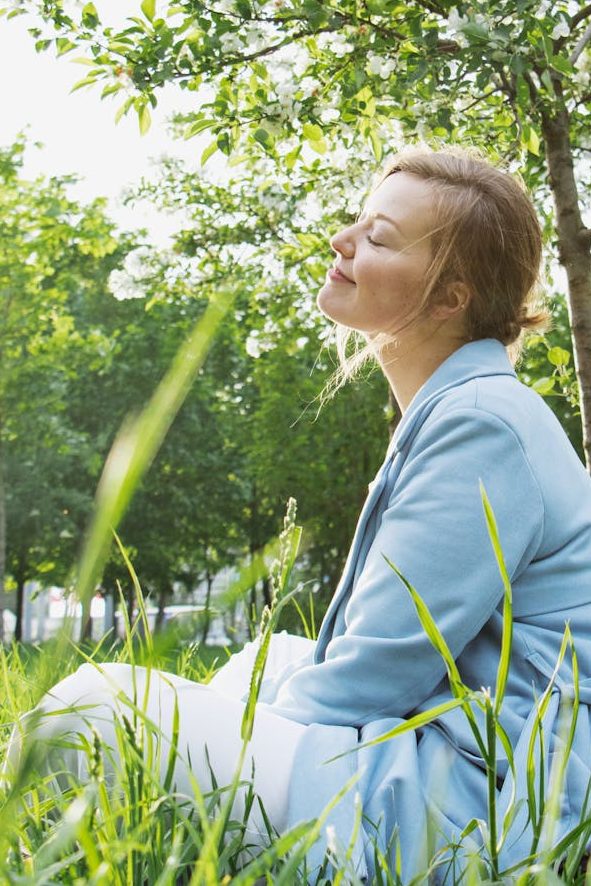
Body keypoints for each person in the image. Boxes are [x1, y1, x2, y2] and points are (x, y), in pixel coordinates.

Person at [4, 146, 591, 882]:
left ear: (450, 298)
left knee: (87, 710)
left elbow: (375, 673)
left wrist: (195, 720)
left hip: (484, 806)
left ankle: (155, 829)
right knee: (265, 659)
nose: (341, 242)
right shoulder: (469, 406)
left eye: (377, 238)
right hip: (474, 748)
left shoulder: (481, 425)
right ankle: (179, 840)